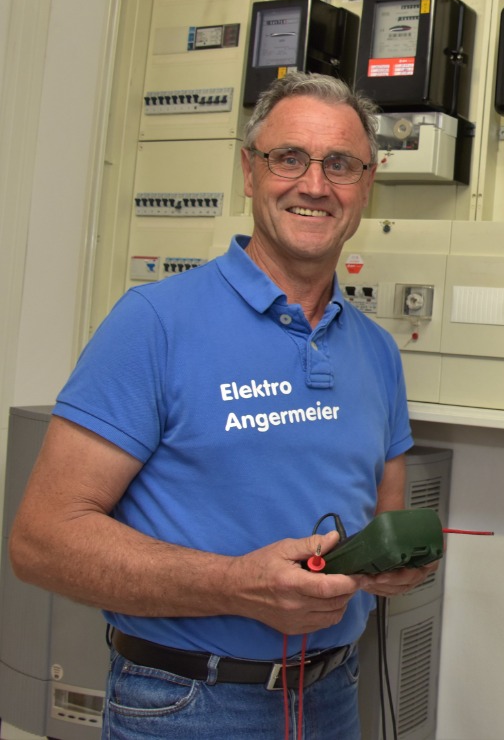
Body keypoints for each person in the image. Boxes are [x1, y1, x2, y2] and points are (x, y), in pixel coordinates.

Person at [9, 72, 433, 739]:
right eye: (289, 158)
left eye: (340, 164)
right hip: (186, 704)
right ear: (249, 171)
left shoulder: (376, 351)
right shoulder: (155, 322)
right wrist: (238, 584)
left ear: (367, 183)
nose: (315, 185)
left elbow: (386, 518)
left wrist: (394, 566)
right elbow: (40, 541)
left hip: (333, 696)